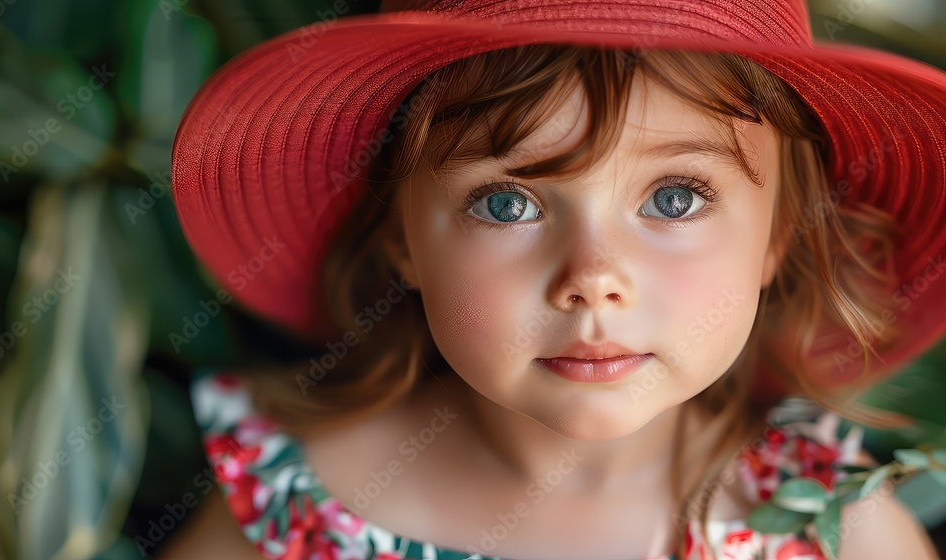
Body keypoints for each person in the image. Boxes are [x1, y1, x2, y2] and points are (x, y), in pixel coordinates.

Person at [162, 0, 946, 558]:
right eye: (507, 204)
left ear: (779, 234)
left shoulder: (839, 532)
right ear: (403, 237)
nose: (593, 280)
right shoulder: (295, 514)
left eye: (674, 199)